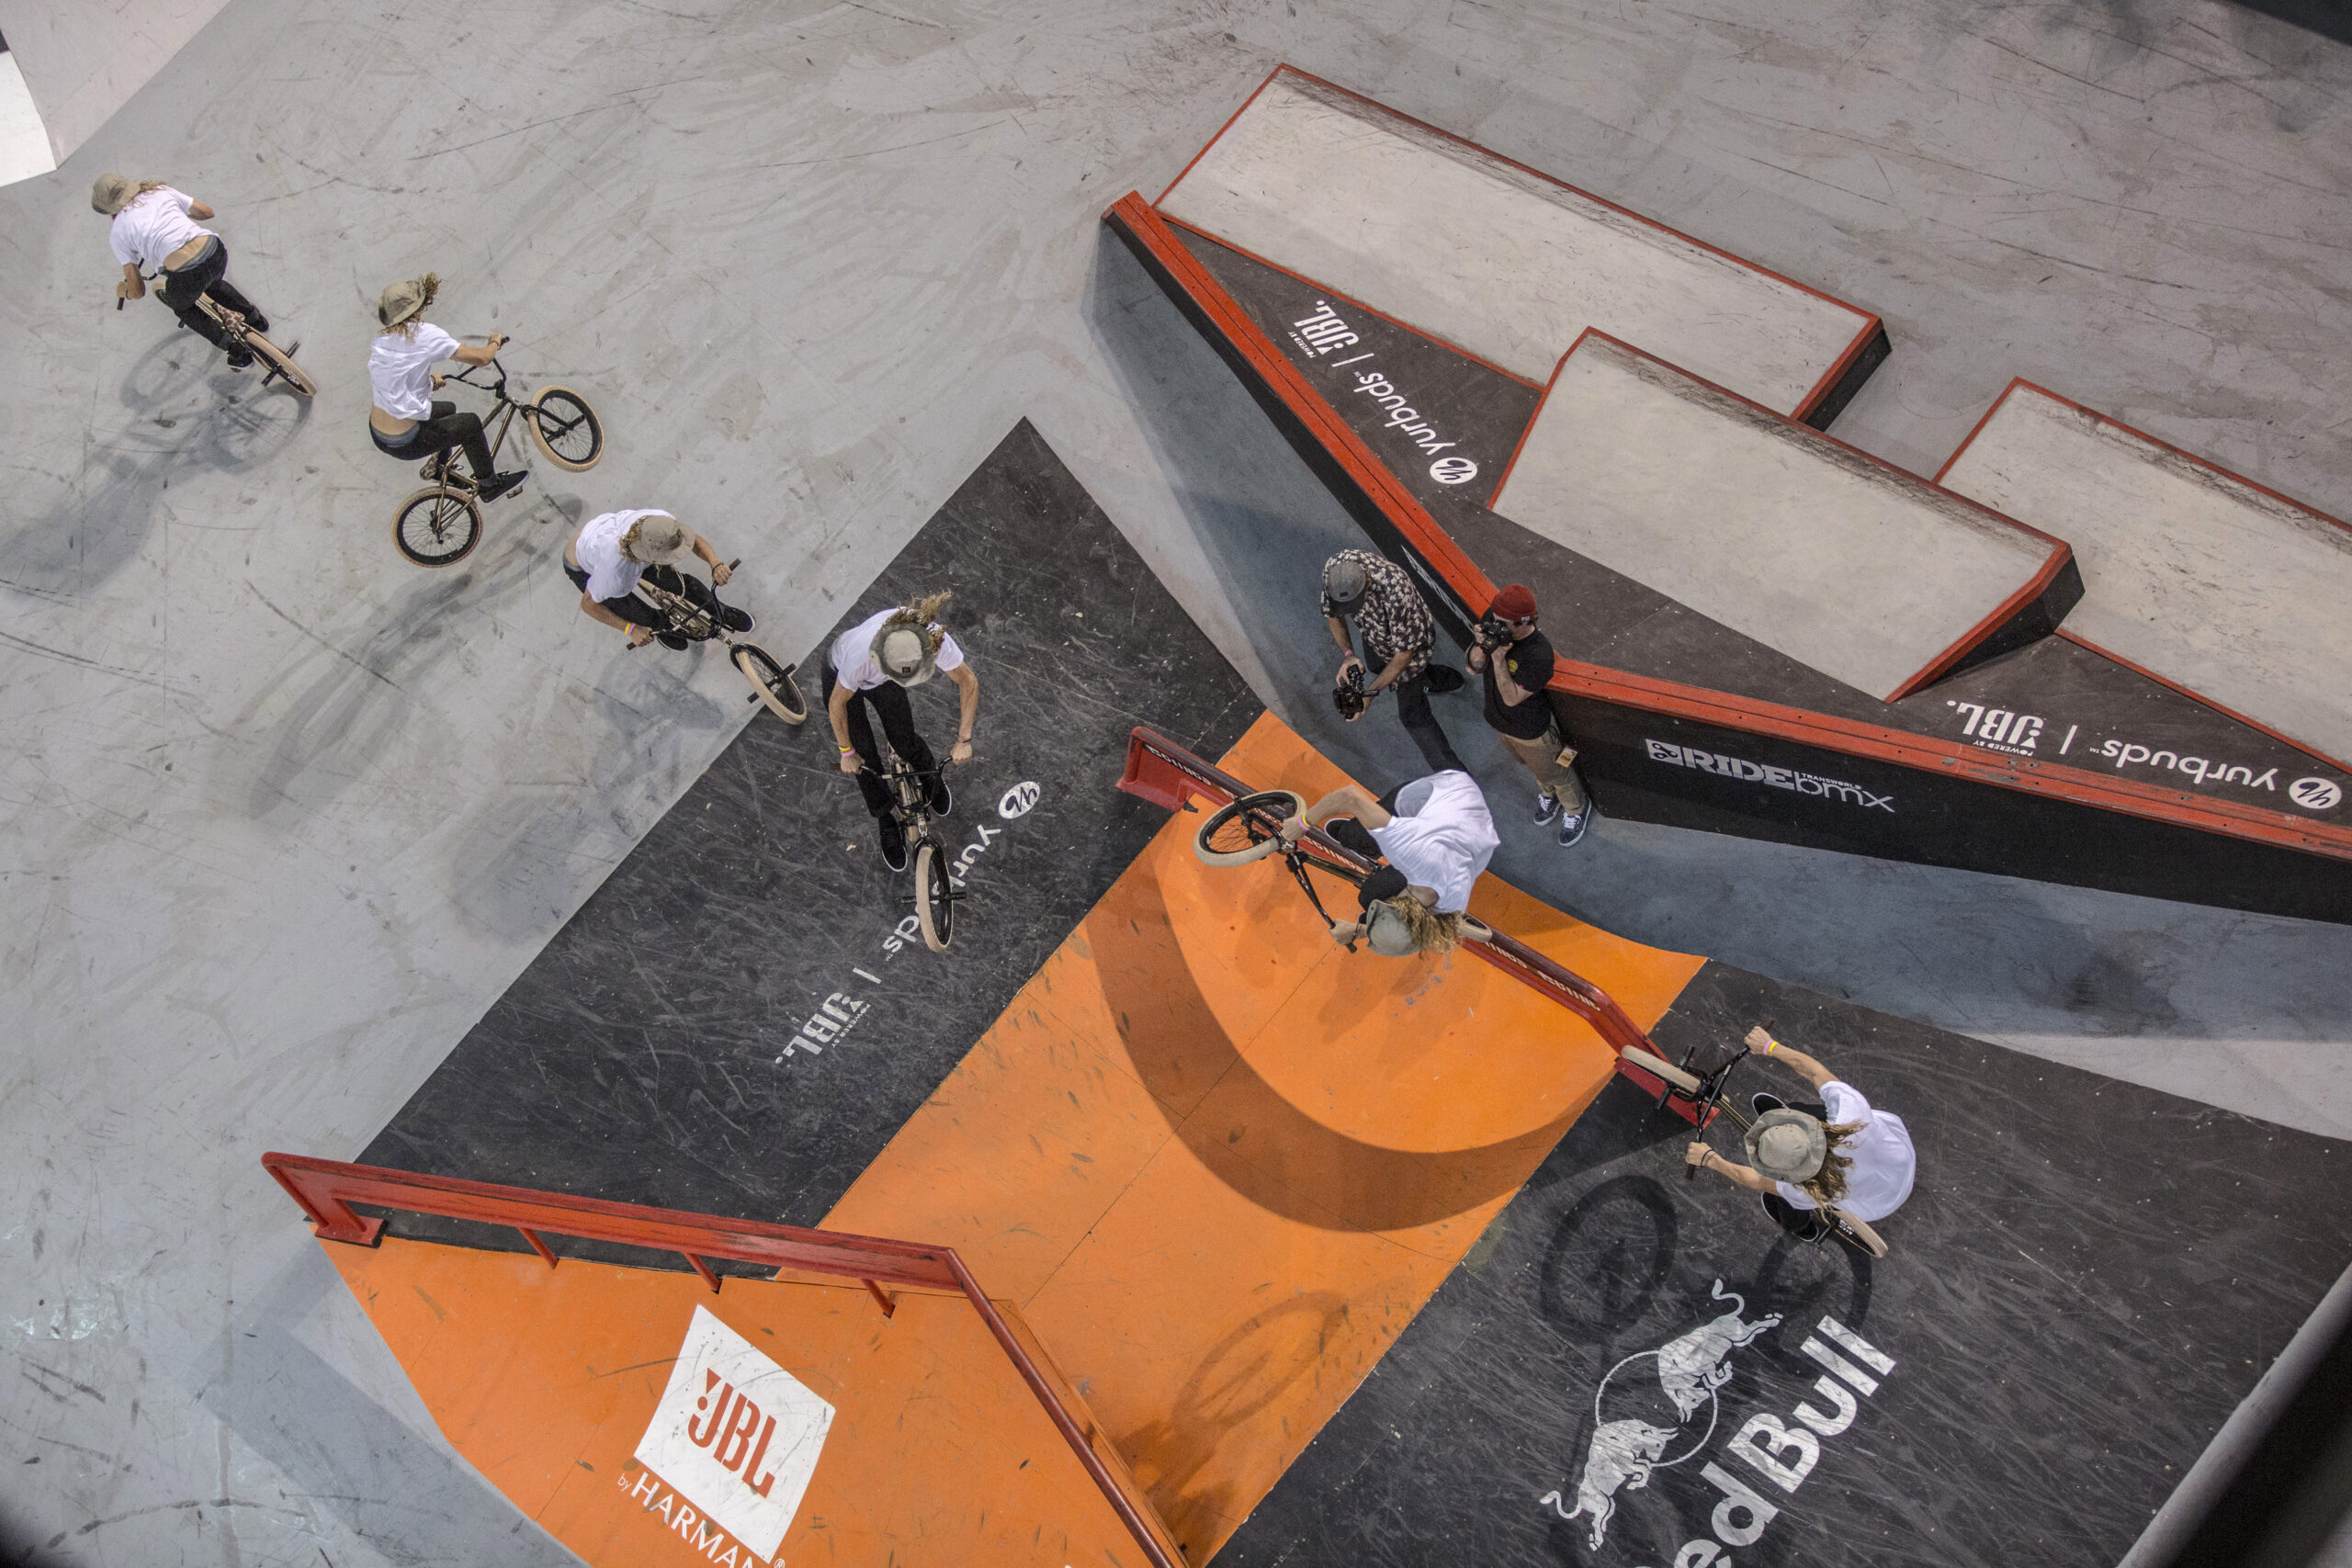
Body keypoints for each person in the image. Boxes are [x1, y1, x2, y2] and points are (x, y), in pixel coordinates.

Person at [1683, 1026, 1917, 1238]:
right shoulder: (1851, 1114)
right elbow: (1815, 1072)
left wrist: (1711, 1160)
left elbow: (1757, 1180)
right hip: (1900, 1159)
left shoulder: (1801, 1189)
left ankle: (1800, 1228)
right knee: (1804, 1110)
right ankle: (1794, 1115)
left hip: (1879, 1205)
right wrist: (1769, 1047)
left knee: (1785, 1202)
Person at [825, 593, 981, 872]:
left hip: (884, 676)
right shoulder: (860, 656)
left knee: (904, 738)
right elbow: (837, 704)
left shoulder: (932, 639)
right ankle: (885, 819)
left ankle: (929, 776)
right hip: (842, 675)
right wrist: (846, 752)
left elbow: (968, 681)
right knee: (864, 759)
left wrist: (964, 739)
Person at [1277, 769, 1498, 956]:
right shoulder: (1408, 851)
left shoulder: (1453, 903)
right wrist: (1302, 823)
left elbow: (1479, 933)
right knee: (1360, 856)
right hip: (1443, 793)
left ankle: (1371, 837)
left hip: (1476, 831)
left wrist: (1360, 930)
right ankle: (1359, 837)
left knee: (1377, 893)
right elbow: (1350, 797)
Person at [368, 275, 526, 502]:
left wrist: (430, 382)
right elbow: (482, 358)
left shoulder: (382, 341)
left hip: (378, 433)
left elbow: (397, 382)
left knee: (448, 409)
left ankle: (439, 468)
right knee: (470, 424)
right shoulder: (423, 334)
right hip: (405, 442)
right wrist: (495, 342)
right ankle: (490, 486)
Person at [96, 174, 271, 369]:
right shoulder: (159, 192)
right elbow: (207, 212)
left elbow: (137, 291)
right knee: (214, 283)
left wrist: (124, 291)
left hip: (187, 276)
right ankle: (256, 319)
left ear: (108, 210)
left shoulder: (118, 233)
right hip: (215, 251)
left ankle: (237, 351)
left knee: (183, 307)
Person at [1468, 582, 1595, 848]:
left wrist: (1499, 660)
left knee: (1557, 772)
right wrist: (1481, 646)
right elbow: (1473, 667)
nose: (1496, 626)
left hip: (1531, 730)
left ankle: (1576, 808)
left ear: (1523, 622)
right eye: (1494, 620)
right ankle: (1549, 794)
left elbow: (1512, 698)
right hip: (1501, 722)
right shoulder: (1496, 619)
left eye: (1503, 624)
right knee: (1534, 767)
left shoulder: (1538, 653)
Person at [1321, 549, 1466, 773]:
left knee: (1413, 716)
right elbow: (1333, 615)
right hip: (1375, 632)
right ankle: (1441, 679)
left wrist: (1369, 694)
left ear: (1367, 584)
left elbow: (1404, 656)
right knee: (1376, 665)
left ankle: (1456, 778)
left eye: (1354, 606)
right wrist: (1348, 655)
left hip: (1409, 648)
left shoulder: (1396, 589)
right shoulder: (1334, 570)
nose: (1349, 611)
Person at [565, 509, 748, 649]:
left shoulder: (660, 524)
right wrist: (630, 629)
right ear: (651, 557)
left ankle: (719, 609)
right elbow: (588, 605)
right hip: (583, 564)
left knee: (677, 583)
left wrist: (715, 564)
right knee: (637, 613)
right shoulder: (613, 575)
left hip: (603, 530)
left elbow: (693, 540)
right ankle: (659, 624)